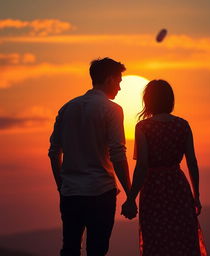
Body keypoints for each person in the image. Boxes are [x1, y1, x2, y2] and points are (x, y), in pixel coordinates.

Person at [48, 57, 132, 256]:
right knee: (97, 250)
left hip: (70, 192)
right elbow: (118, 154)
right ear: (110, 80)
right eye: (119, 82)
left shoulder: (67, 108)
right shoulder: (112, 110)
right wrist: (129, 193)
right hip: (100, 192)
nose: (119, 88)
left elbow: (53, 153)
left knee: (69, 249)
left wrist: (61, 185)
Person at [122, 80, 207, 256]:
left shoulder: (143, 127)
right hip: (178, 186)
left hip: (153, 189)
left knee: (156, 239)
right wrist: (196, 195)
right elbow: (192, 161)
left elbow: (142, 166)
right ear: (170, 100)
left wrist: (131, 198)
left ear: (148, 101)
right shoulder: (182, 125)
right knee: (182, 238)